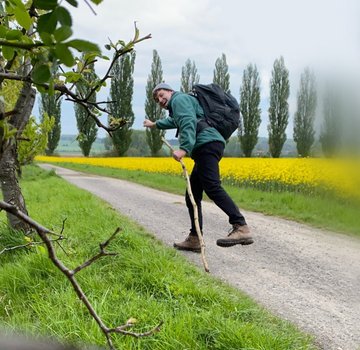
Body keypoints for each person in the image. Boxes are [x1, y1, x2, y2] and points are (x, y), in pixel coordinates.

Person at [143, 82, 253, 252]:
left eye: (161, 94)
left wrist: (184, 149)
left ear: (171, 91)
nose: (160, 100)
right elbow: (175, 120)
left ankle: (241, 226)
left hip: (207, 144)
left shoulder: (179, 99)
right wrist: (154, 124)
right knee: (192, 194)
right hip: (208, 144)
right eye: (157, 99)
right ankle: (195, 238)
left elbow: (187, 121)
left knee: (212, 186)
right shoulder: (181, 103)